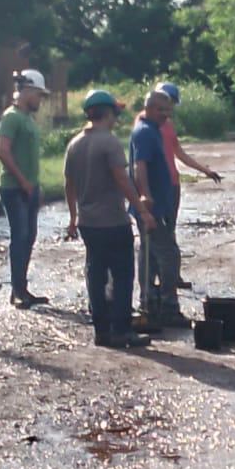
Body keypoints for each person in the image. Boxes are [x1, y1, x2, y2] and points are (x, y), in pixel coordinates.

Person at [64, 90, 156, 348]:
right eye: (115, 112)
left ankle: (102, 331)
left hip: (87, 223)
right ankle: (122, 330)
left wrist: (73, 219)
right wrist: (142, 209)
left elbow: (68, 185)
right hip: (112, 221)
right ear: (107, 113)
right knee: (123, 275)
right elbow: (121, 179)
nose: (117, 117)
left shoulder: (74, 144)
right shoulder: (109, 142)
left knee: (95, 274)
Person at [150, 81, 222, 289]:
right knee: (157, 234)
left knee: (169, 230)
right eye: (166, 103)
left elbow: (179, 153)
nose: (169, 108)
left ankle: (171, 277)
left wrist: (204, 170)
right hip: (158, 187)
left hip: (172, 184)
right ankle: (157, 281)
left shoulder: (168, 125)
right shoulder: (145, 124)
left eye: (171, 104)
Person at [129, 89, 188, 328]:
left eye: (168, 110)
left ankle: (149, 304)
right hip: (151, 206)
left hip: (157, 205)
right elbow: (139, 166)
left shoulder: (152, 129)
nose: (166, 115)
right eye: (162, 110)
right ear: (149, 108)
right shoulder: (144, 132)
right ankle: (167, 307)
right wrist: (145, 196)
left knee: (150, 254)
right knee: (169, 255)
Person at [0, 68, 49, 309]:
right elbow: (2, 151)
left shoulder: (27, 119)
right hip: (14, 188)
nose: (40, 100)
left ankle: (22, 287)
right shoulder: (11, 117)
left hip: (28, 188)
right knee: (20, 237)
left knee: (29, 237)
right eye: (38, 95)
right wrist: (23, 181)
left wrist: (35, 186)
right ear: (27, 91)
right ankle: (17, 291)